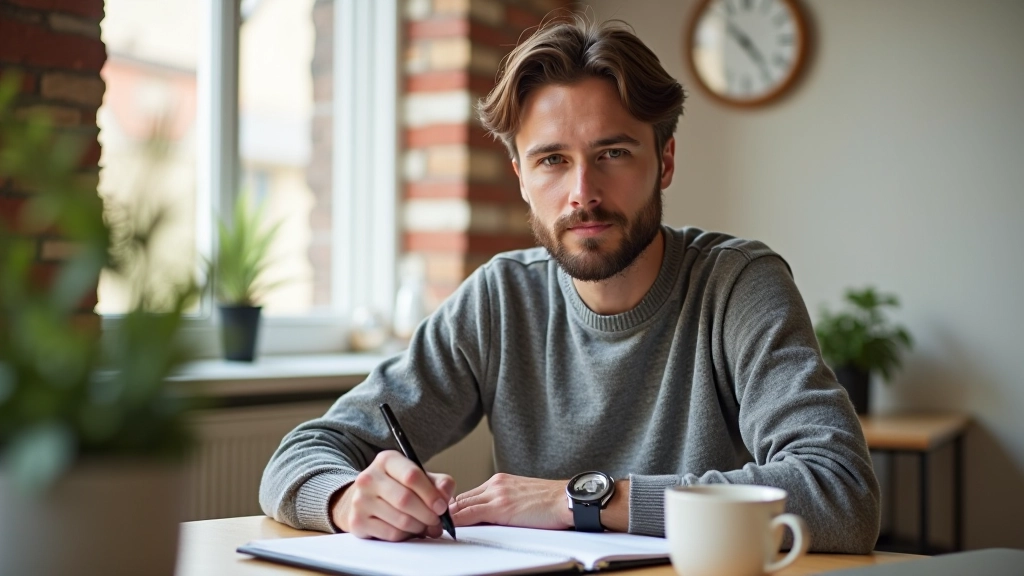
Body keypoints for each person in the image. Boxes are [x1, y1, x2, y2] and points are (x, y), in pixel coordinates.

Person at [259, 16, 880, 553]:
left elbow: (840, 492)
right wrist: (346, 497)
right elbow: (303, 453)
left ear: (664, 161)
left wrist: (581, 500)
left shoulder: (738, 285)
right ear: (521, 176)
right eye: (552, 159)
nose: (582, 192)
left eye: (612, 153)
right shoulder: (501, 300)